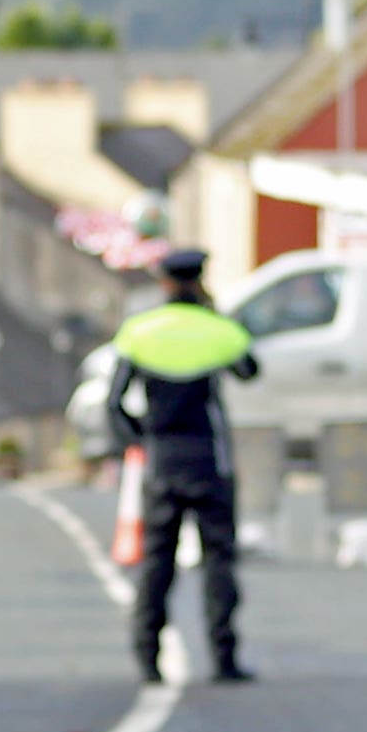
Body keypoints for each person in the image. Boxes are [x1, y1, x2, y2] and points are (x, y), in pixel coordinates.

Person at [105, 248, 259, 684]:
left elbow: (114, 402)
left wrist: (138, 440)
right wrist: (216, 316)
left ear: (164, 283)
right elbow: (249, 369)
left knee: (158, 561)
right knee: (219, 558)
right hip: (210, 458)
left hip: (162, 459)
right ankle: (224, 657)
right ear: (200, 281)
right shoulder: (217, 331)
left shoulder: (140, 332)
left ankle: (148, 656)